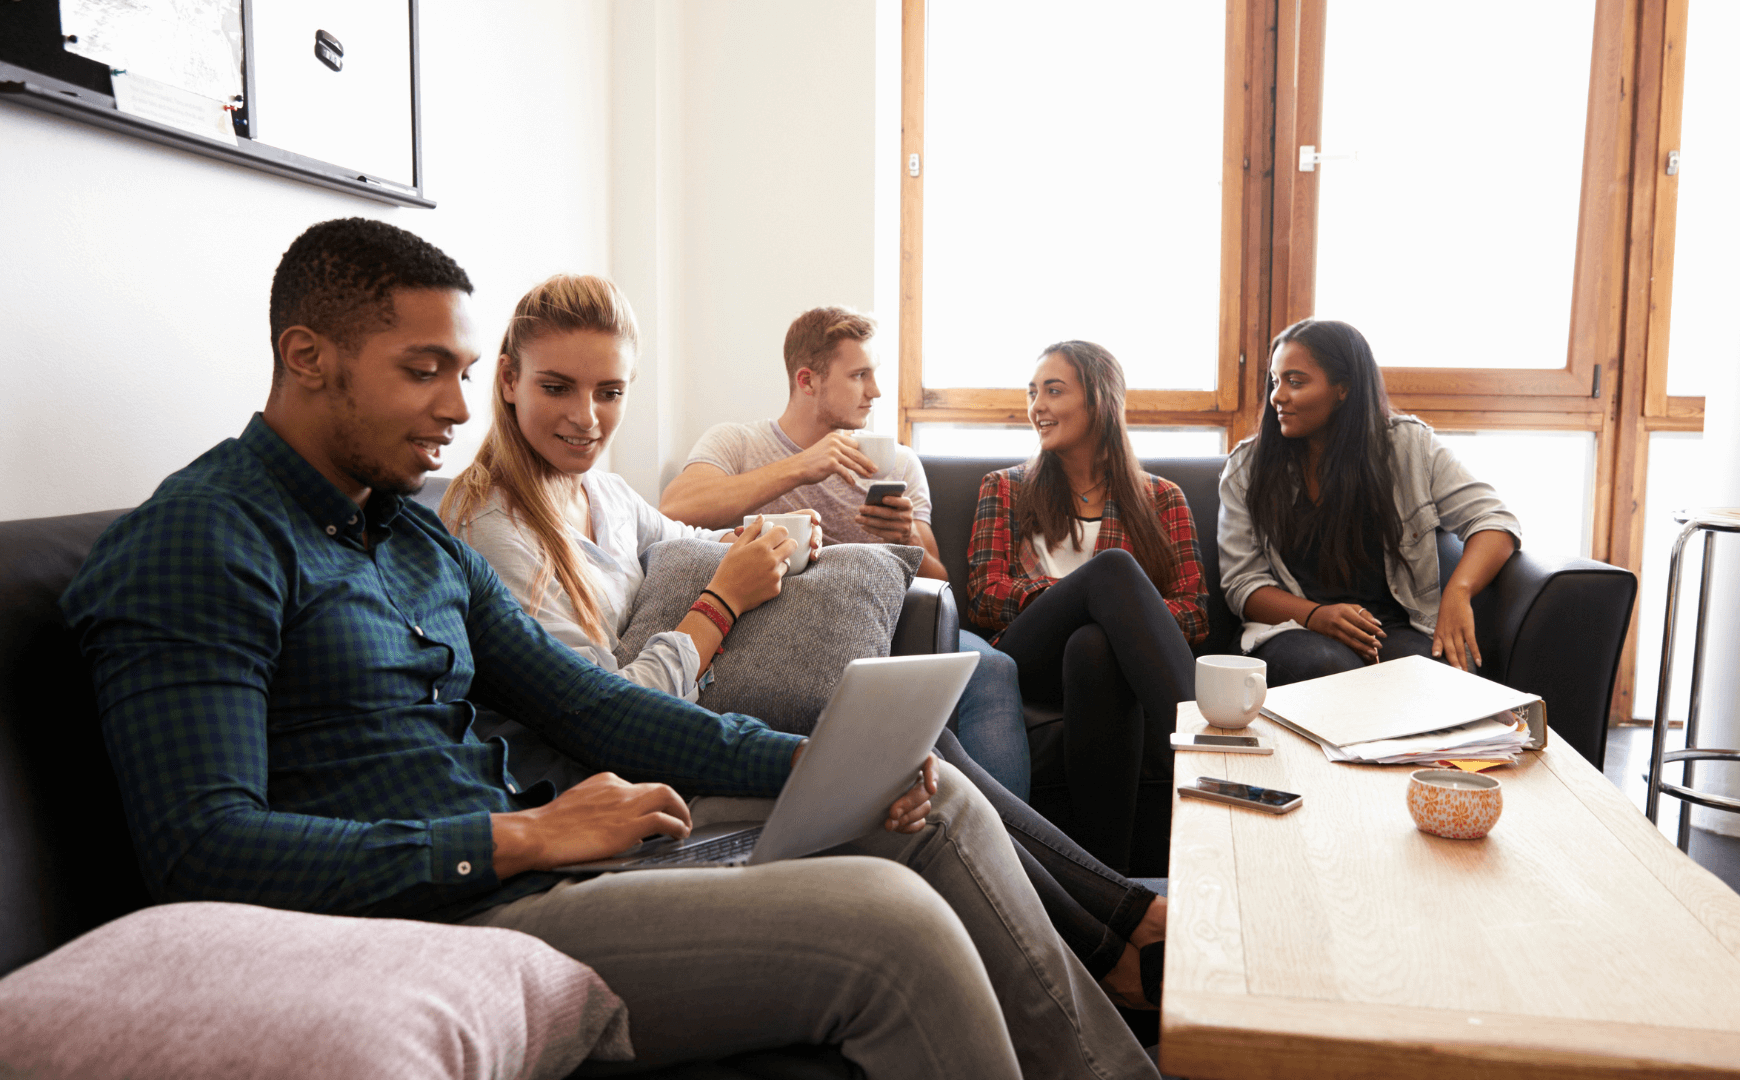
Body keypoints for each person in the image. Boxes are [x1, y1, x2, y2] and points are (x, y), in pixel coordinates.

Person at [59, 218, 1156, 1079]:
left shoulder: (404, 538)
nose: (455, 406)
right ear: (307, 357)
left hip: (546, 858)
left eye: (463, 369)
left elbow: (597, 710)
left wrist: (820, 765)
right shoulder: (201, 543)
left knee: (933, 806)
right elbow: (201, 855)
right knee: (890, 925)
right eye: (423, 370)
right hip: (456, 910)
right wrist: (516, 838)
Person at [446, 273, 1171, 1012]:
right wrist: (724, 597)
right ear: (508, 380)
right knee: (917, 781)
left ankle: (1123, 926)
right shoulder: (496, 531)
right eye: (559, 388)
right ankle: (1116, 947)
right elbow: (607, 718)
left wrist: (762, 546)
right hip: (622, 794)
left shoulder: (602, 494)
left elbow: (691, 539)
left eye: (610, 392)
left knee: (923, 754)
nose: (587, 418)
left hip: (686, 738)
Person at [659, 307, 1031, 798]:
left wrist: (907, 536)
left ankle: (997, 844)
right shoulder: (737, 442)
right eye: (860, 375)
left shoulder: (896, 462)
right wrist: (801, 467)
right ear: (807, 380)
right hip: (774, 626)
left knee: (991, 667)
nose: (875, 391)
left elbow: (941, 581)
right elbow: (676, 507)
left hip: (888, 624)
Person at [966, 341, 1209, 874]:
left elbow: (1194, 612)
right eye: (1033, 393)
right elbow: (985, 595)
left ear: (1100, 401)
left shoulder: (1161, 498)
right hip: (1028, 660)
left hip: (1104, 668)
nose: (1038, 407)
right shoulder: (1004, 489)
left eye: (1054, 390)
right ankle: (1207, 751)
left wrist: (1110, 618)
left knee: (1094, 645)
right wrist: (1079, 597)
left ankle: (1110, 888)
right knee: (1113, 570)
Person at [1217, 318, 1521, 686]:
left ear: (1343, 388)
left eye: (1295, 382)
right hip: (1291, 629)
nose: (1277, 396)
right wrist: (1317, 616)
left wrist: (1459, 592)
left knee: (1435, 677)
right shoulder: (1246, 467)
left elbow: (1493, 521)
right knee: (1329, 668)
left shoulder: (1410, 447)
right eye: (1275, 381)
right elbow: (1242, 584)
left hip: (1392, 627)